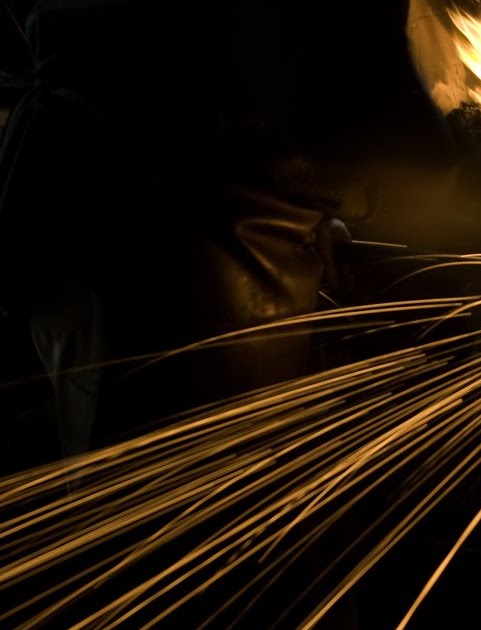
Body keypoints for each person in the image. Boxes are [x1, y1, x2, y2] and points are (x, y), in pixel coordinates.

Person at [0, 0, 455, 460]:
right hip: (186, 256)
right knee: (190, 481)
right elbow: (396, 142)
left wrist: (321, 208)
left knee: (120, 464)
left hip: (79, 198)